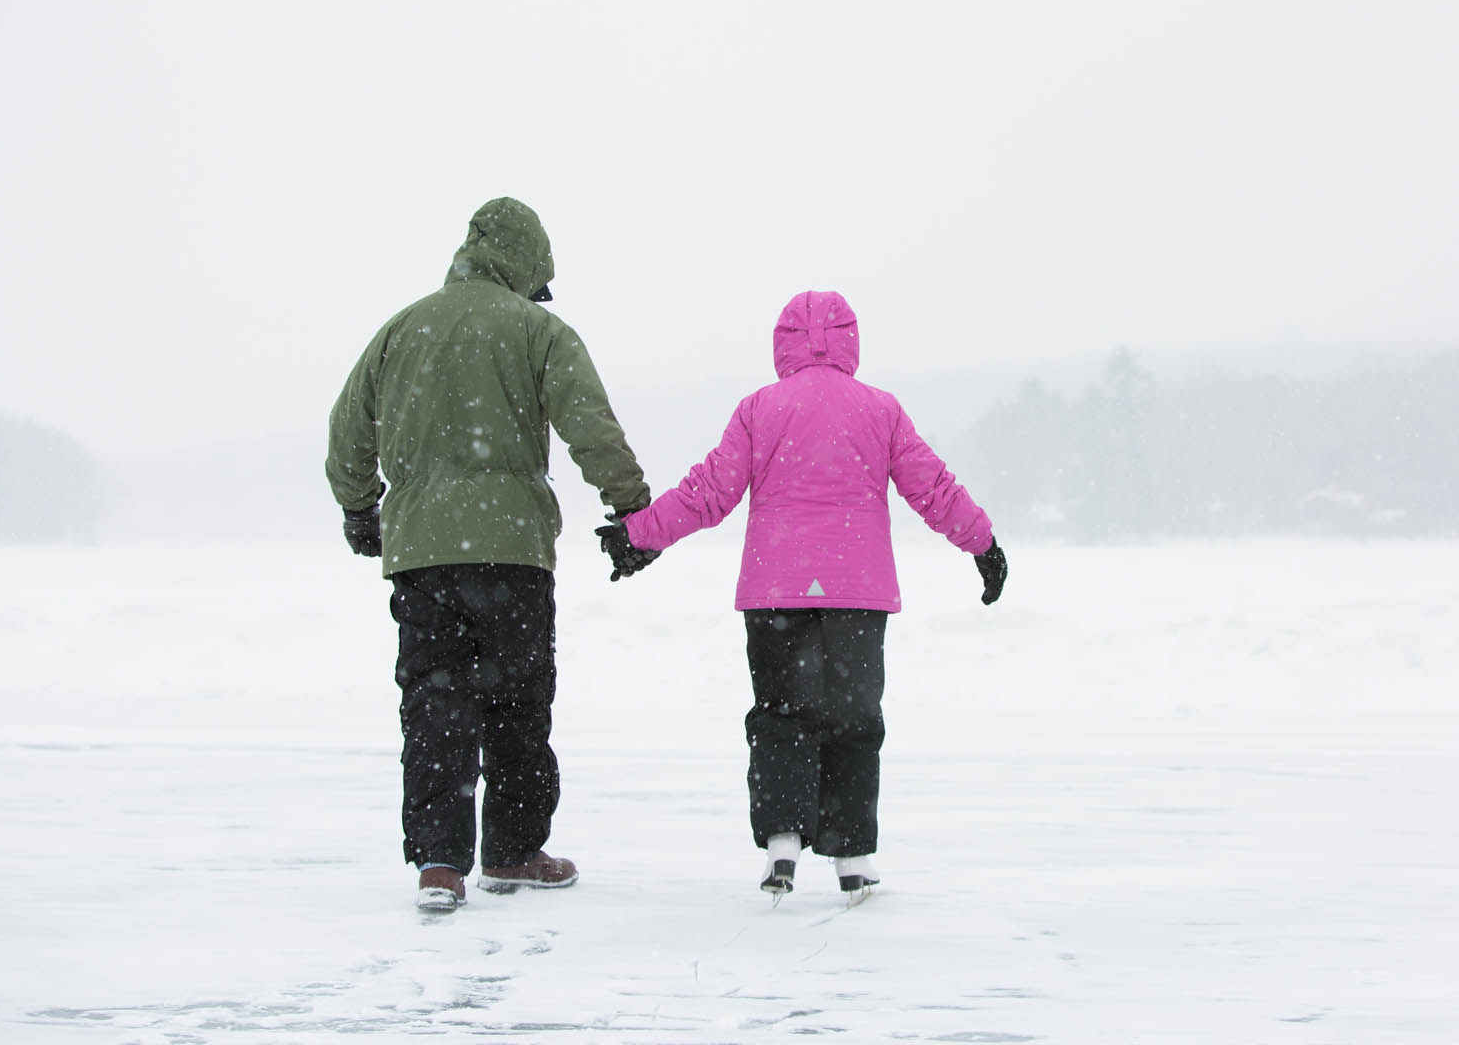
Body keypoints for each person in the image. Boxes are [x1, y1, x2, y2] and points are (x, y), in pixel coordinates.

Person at [599, 290, 1008, 898]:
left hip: (776, 590)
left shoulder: (761, 409)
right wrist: (982, 543)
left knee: (780, 715)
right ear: (850, 340)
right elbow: (933, 487)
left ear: (782, 342)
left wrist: (641, 536)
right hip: (857, 595)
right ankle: (853, 855)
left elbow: (709, 490)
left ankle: (782, 841)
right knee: (853, 720)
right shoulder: (881, 410)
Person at [326, 196, 655, 913]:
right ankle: (511, 850)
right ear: (527, 263)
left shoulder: (401, 328)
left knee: (433, 703)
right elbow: (588, 424)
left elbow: (347, 425)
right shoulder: (537, 329)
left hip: (421, 554)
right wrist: (631, 507)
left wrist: (359, 506)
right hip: (511, 550)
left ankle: (440, 863)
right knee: (518, 702)